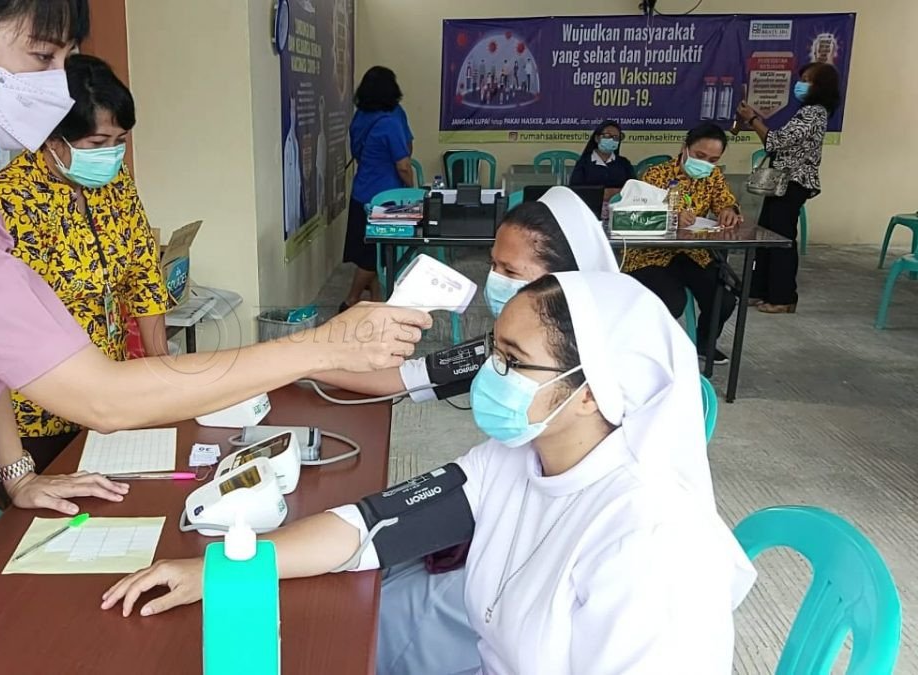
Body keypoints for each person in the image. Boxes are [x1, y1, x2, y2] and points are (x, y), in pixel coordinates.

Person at [0, 3, 430, 673]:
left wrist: (16, 475)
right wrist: (320, 347)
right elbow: (96, 394)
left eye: (67, 56)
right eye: (42, 54)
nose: (58, 81)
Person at [102, 271, 757, 675]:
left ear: (590, 391)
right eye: (492, 352)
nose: (486, 376)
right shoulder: (516, 459)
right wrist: (220, 567)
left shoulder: (653, 542)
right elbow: (370, 527)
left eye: (511, 360)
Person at [0, 54, 167, 472]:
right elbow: (5, 327)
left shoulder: (113, 184)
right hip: (39, 413)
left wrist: (166, 377)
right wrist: (15, 467)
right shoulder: (12, 199)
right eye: (96, 144)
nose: (111, 156)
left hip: (111, 390)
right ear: (54, 140)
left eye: (120, 142)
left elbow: (143, 274)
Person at [313, 186, 617, 401]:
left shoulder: (605, 366)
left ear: (563, 278)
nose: (494, 280)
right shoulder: (501, 345)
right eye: (493, 264)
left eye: (510, 272)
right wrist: (306, 364)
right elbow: (407, 379)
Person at [624, 123, 742, 364]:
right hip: (652, 255)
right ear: (685, 148)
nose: (705, 164)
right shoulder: (655, 175)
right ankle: (647, 351)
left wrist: (728, 211)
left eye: (712, 159)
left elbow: (724, 201)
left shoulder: (713, 177)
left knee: (723, 299)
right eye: (700, 156)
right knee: (671, 301)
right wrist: (669, 218)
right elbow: (637, 215)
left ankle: (703, 344)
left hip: (692, 253)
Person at [737, 63, 841, 314]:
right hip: (780, 183)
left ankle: (783, 297)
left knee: (781, 240)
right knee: (766, 236)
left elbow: (777, 141)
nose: (801, 84)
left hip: (793, 183)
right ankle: (758, 290)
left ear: (820, 87)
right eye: (801, 78)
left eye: (807, 80)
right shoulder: (806, 111)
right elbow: (776, 144)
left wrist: (752, 118)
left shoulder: (814, 112)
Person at [342, 66, 415, 310]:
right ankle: (351, 299)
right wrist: (412, 191)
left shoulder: (359, 118)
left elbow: (359, 155)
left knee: (368, 250)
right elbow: (403, 164)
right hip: (387, 200)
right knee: (376, 256)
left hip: (361, 192)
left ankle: (376, 302)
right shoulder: (392, 121)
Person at [569, 119, 636, 189]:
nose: (611, 140)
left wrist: (615, 193)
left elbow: (634, 188)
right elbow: (576, 190)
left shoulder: (624, 163)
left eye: (616, 137)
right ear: (597, 138)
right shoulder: (583, 163)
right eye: (607, 135)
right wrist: (601, 194)